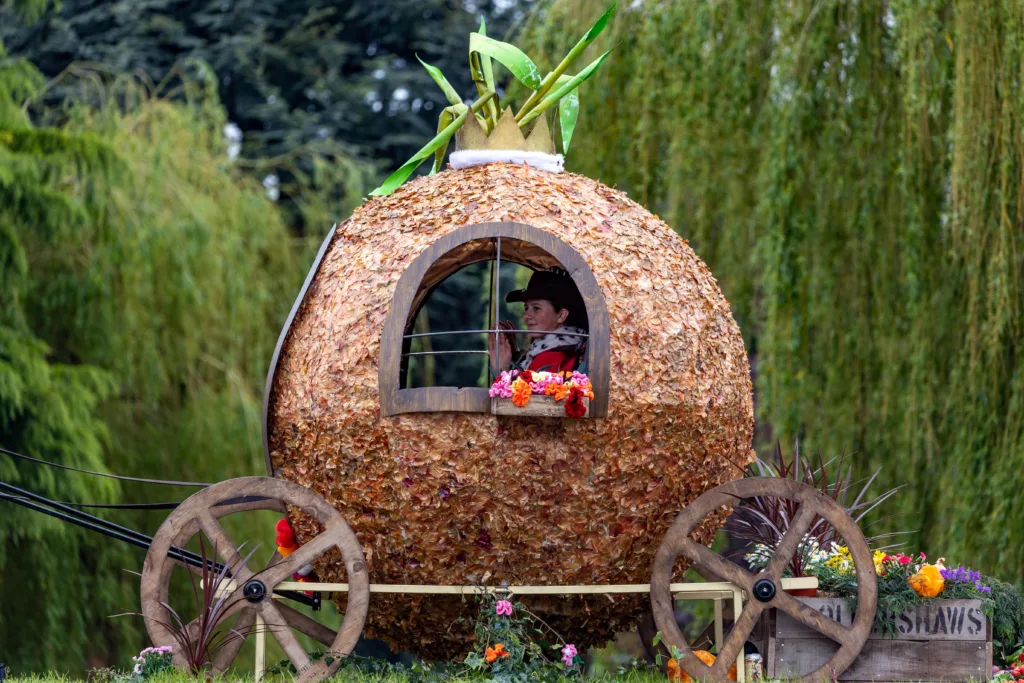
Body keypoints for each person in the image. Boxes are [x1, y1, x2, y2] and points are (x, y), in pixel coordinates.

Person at [488, 269, 588, 375]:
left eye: (536, 308)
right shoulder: (566, 347)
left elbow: (527, 390)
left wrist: (501, 371)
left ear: (561, 315)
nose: (526, 316)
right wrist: (515, 356)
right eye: (526, 308)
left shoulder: (553, 356)